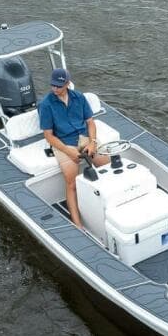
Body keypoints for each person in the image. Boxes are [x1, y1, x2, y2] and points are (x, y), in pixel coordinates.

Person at [39, 67, 109, 230]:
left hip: (84, 138)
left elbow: (90, 122)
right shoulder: (46, 104)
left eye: (59, 86)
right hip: (63, 142)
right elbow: (49, 136)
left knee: (106, 166)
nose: (55, 89)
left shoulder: (79, 97)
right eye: (53, 85)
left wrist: (92, 142)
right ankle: (77, 224)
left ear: (68, 84)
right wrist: (68, 150)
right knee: (71, 183)